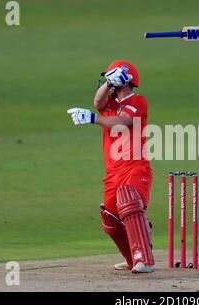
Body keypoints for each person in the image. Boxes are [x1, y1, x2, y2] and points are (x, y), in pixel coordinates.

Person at [66, 60, 155, 273]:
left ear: (125, 79)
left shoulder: (138, 101)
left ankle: (145, 260)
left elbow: (121, 122)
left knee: (129, 201)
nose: (106, 84)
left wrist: (92, 119)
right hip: (113, 171)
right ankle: (131, 258)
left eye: (111, 78)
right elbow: (97, 102)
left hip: (135, 165)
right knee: (111, 218)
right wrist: (109, 82)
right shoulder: (108, 104)